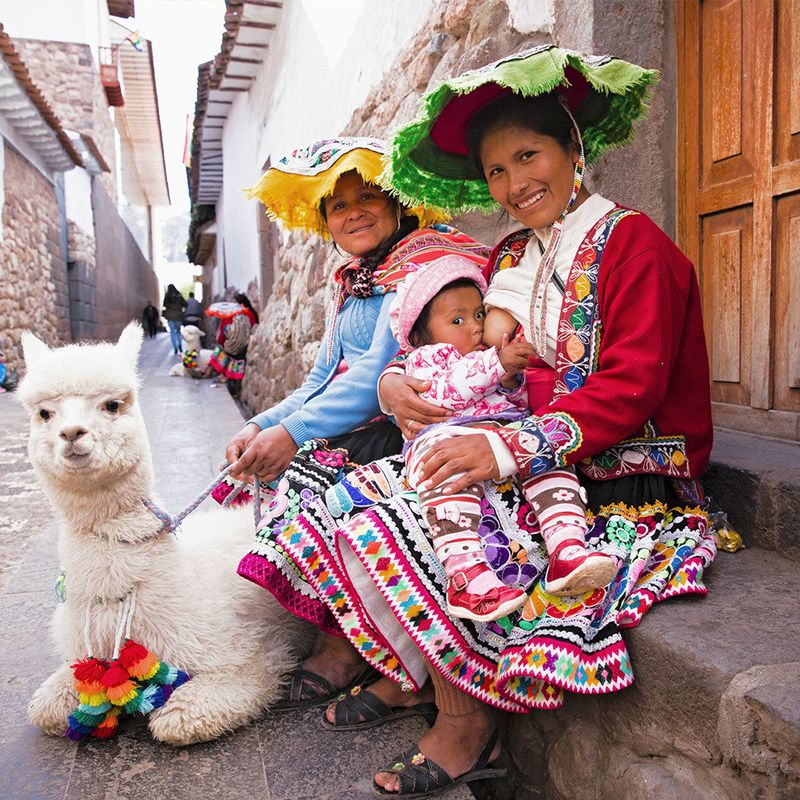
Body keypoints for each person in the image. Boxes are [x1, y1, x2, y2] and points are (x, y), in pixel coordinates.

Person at [255, 48, 716, 797]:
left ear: (574, 149)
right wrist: (401, 381)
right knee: (351, 496)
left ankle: (466, 723)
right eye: (496, 171)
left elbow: (631, 388)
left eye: (528, 156)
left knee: (400, 511)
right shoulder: (510, 256)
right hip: (528, 456)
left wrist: (505, 445)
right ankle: (418, 677)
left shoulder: (637, 246)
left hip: (623, 472)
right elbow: (452, 343)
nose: (513, 183)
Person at [214, 138, 490, 714]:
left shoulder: (423, 270)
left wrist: (293, 435)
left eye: (367, 196)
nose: (353, 212)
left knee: (322, 484)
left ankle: (348, 647)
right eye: (338, 206)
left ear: (397, 204)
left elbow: (373, 376)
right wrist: (264, 423)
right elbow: (322, 375)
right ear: (325, 222)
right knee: (286, 479)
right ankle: (344, 630)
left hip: (422, 417)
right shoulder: (351, 281)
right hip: (370, 420)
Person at [391, 255, 616, 623]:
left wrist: (511, 382)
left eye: (479, 315)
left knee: (547, 462)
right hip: (442, 439)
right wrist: (497, 364)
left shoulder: (481, 355)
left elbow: (514, 404)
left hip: (501, 437)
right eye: (457, 320)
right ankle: (467, 576)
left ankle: (566, 546)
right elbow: (446, 393)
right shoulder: (426, 359)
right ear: (420, 335)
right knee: (447, 480)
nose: (475, 327)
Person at [207, 293, 259, 394]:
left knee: (220, 351)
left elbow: (221, 338)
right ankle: (216, 373)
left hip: (234, 350)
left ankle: (217, 373)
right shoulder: (252, 313)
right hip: (245, 347)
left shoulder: (231, 317)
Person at [162, 284, 186, 354]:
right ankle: (180, 345)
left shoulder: (167, 296)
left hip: (170, 317)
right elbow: (185, 304)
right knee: (178, 331)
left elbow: (164, 305)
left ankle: (175, 347)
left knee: (172, 332)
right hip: (178, 316)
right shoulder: (179, 296)